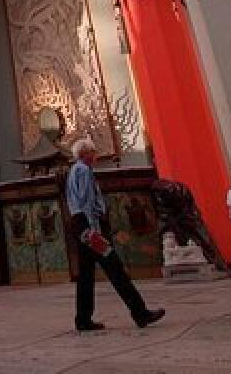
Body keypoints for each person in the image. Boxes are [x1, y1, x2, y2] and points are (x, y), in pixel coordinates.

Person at [67, 139, 165, 332]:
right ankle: (140, 313)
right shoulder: (84, 171)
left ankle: (83, 319)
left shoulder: (73, 172)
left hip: (79, 227)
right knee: (116, 270)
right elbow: (86, 201)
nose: (95, 156)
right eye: (93, 153)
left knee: (85, 275)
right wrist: (94, 231)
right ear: (84, 154)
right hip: (90, 228)